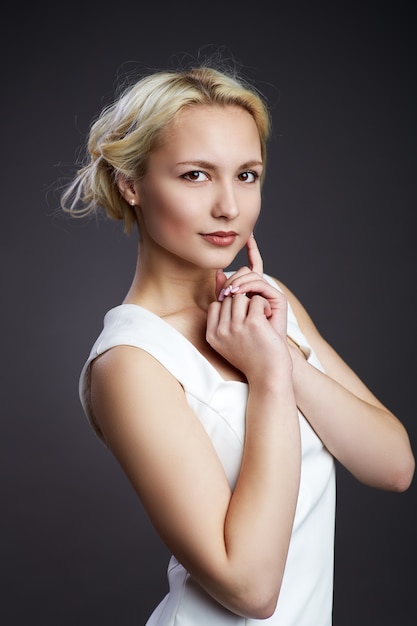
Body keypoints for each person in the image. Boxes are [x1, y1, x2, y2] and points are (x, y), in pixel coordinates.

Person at [60, 59, 415, 625]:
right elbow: (250, 589)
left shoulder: (268, 302)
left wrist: (280, 359)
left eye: (247, 175)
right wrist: (271, 379)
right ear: (131, 184)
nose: (229, 206)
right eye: (195, 175)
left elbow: (393, 466)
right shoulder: (130, 363)